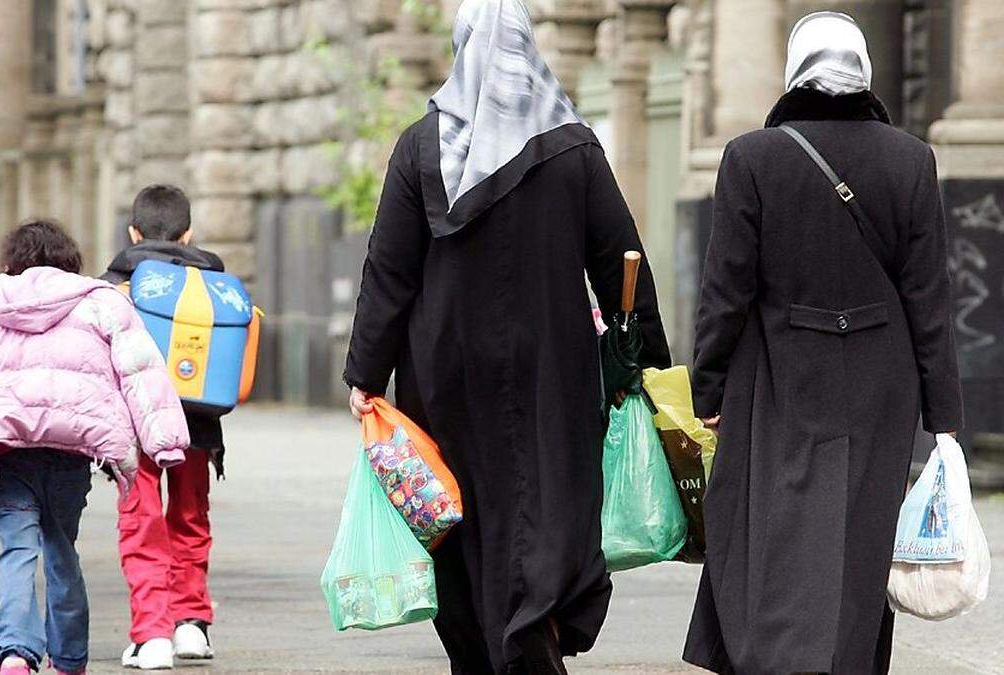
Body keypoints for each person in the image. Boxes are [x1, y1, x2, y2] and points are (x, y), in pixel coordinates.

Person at [344, 1, 670, 672]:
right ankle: (532, 625)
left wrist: (365, 374)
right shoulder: (573, 146)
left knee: (459, 507)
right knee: (546, 498)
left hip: (445, 371)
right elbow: (622, 259)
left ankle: (491, 645)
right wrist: (651, 363)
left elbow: (389, 270)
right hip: (552, 367)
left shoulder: (421, 145)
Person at [685, 12, 962, 675]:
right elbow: (929, 296)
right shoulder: (912, 158)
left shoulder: (751, 157)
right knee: (860, 532)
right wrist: (943, 417)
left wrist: (709, 386)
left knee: (769, 521)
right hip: (880, 378)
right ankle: (850, 660)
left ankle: (770, 653)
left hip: (777, 373)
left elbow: (726, 289)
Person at [0, 219, 190, 675]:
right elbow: (141, 371)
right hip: (72, 451)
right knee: (61, 547)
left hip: (9, 451)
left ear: (9, 262)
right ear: (71, 261)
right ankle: (68, 660)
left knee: (16, 549)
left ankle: (13, 653)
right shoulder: (100, 302)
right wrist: (164, 442)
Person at [102, 184, 226, 669]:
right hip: (199, 423)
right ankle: (191, 625)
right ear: (188, 232)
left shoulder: (114, 282)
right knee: (191, 518)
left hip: (137, 427)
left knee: (141, 522)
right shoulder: (213, 276)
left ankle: (151, 633)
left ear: (133, 232)